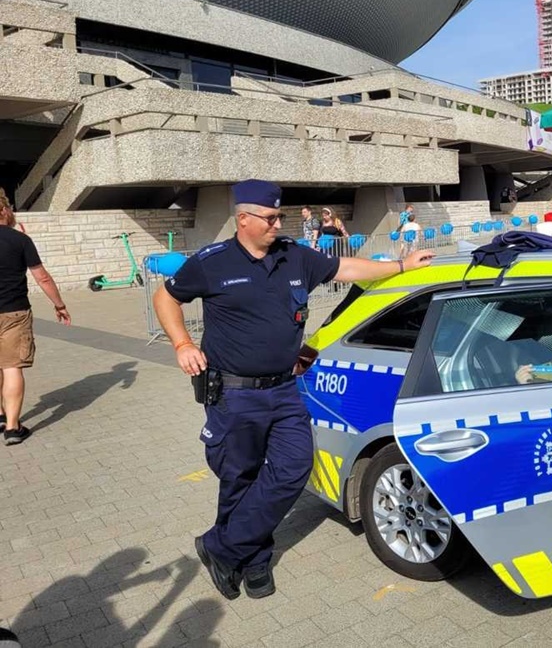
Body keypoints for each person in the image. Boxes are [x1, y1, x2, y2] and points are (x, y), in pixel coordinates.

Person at [152, 180, 433, 601]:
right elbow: (165, 297)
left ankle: (221, 546)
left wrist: (401, 268)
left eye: (279, 216)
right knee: (239, 476)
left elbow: (347, 270)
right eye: (269, 217)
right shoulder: (212, 262)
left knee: (293, 469)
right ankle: (256, 560)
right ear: (243, 219)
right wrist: (182, 344)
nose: (277, 224)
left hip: (284, 389)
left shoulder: (293, 255)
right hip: (234, 393)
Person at [0, 191, 71, 446]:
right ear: (5, 211)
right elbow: (42, 277)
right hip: (14, 313)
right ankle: (12, 427)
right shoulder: (20, 240)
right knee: (11, 367)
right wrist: (59, 305)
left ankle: (1, 414)